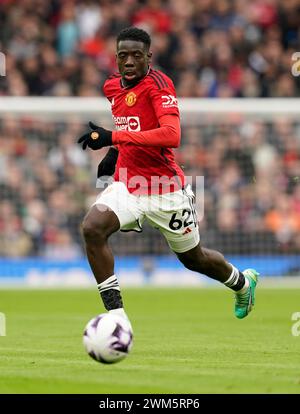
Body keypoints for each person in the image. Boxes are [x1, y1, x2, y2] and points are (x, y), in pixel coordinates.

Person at [77, 27, 258, 324]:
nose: (130, 62)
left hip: (165, 189)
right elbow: (131, 124)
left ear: (149, 56)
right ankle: (117, 317)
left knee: (194, 259)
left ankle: (242, 283)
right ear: (116, 59)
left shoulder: (159, 85)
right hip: (129, 184)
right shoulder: (112, 87)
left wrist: (113, 138)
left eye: (137, 55)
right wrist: (114, 154)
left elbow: (172, 135)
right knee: (92, 227)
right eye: (123, 56)